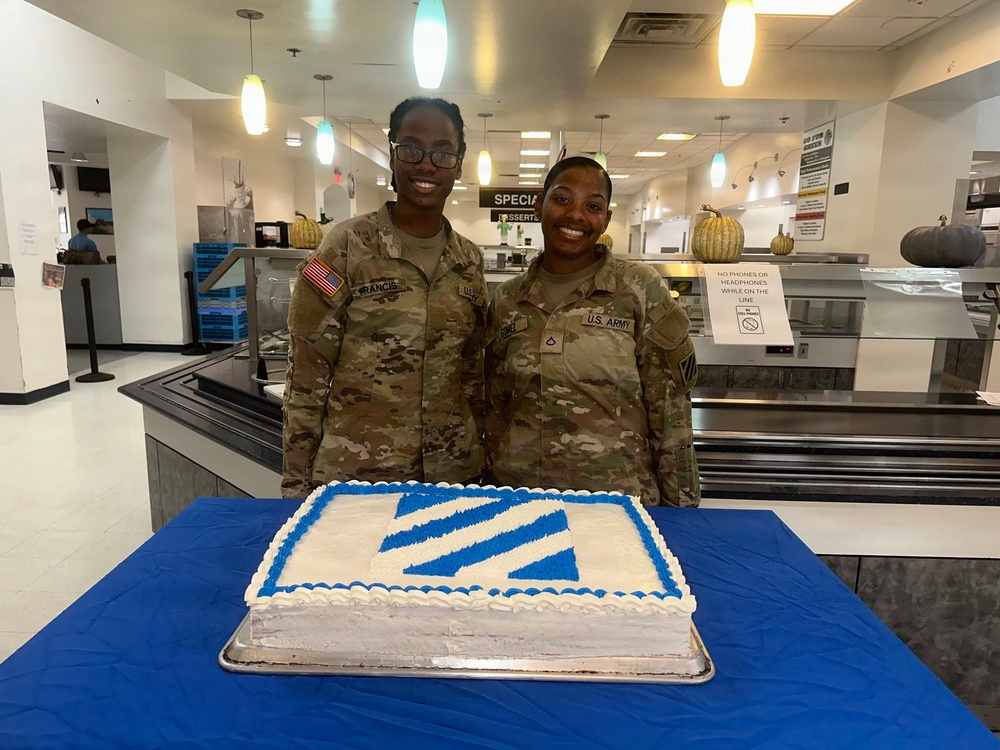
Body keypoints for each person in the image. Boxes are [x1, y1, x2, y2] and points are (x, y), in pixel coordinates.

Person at [282, 96, 487, 499]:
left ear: (459, 164)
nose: (426, 164)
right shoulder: (344, 247)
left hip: (451, 476)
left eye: (443, 152)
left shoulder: (469, 260)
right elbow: (306, 378)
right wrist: (296, 486)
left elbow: (473, 374)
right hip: (359, 479)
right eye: (411, 149)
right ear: (392, 155)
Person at [485, 156, 700, 507]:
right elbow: (495, 410)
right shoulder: (508, 299)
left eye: (593, 206)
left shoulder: (640, 290)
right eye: (562, 199)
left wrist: (683, 512)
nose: (576, 216)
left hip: (618, 505)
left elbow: (671, 410)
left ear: (606, 220)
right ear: (539, 205)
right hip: (520, 501)